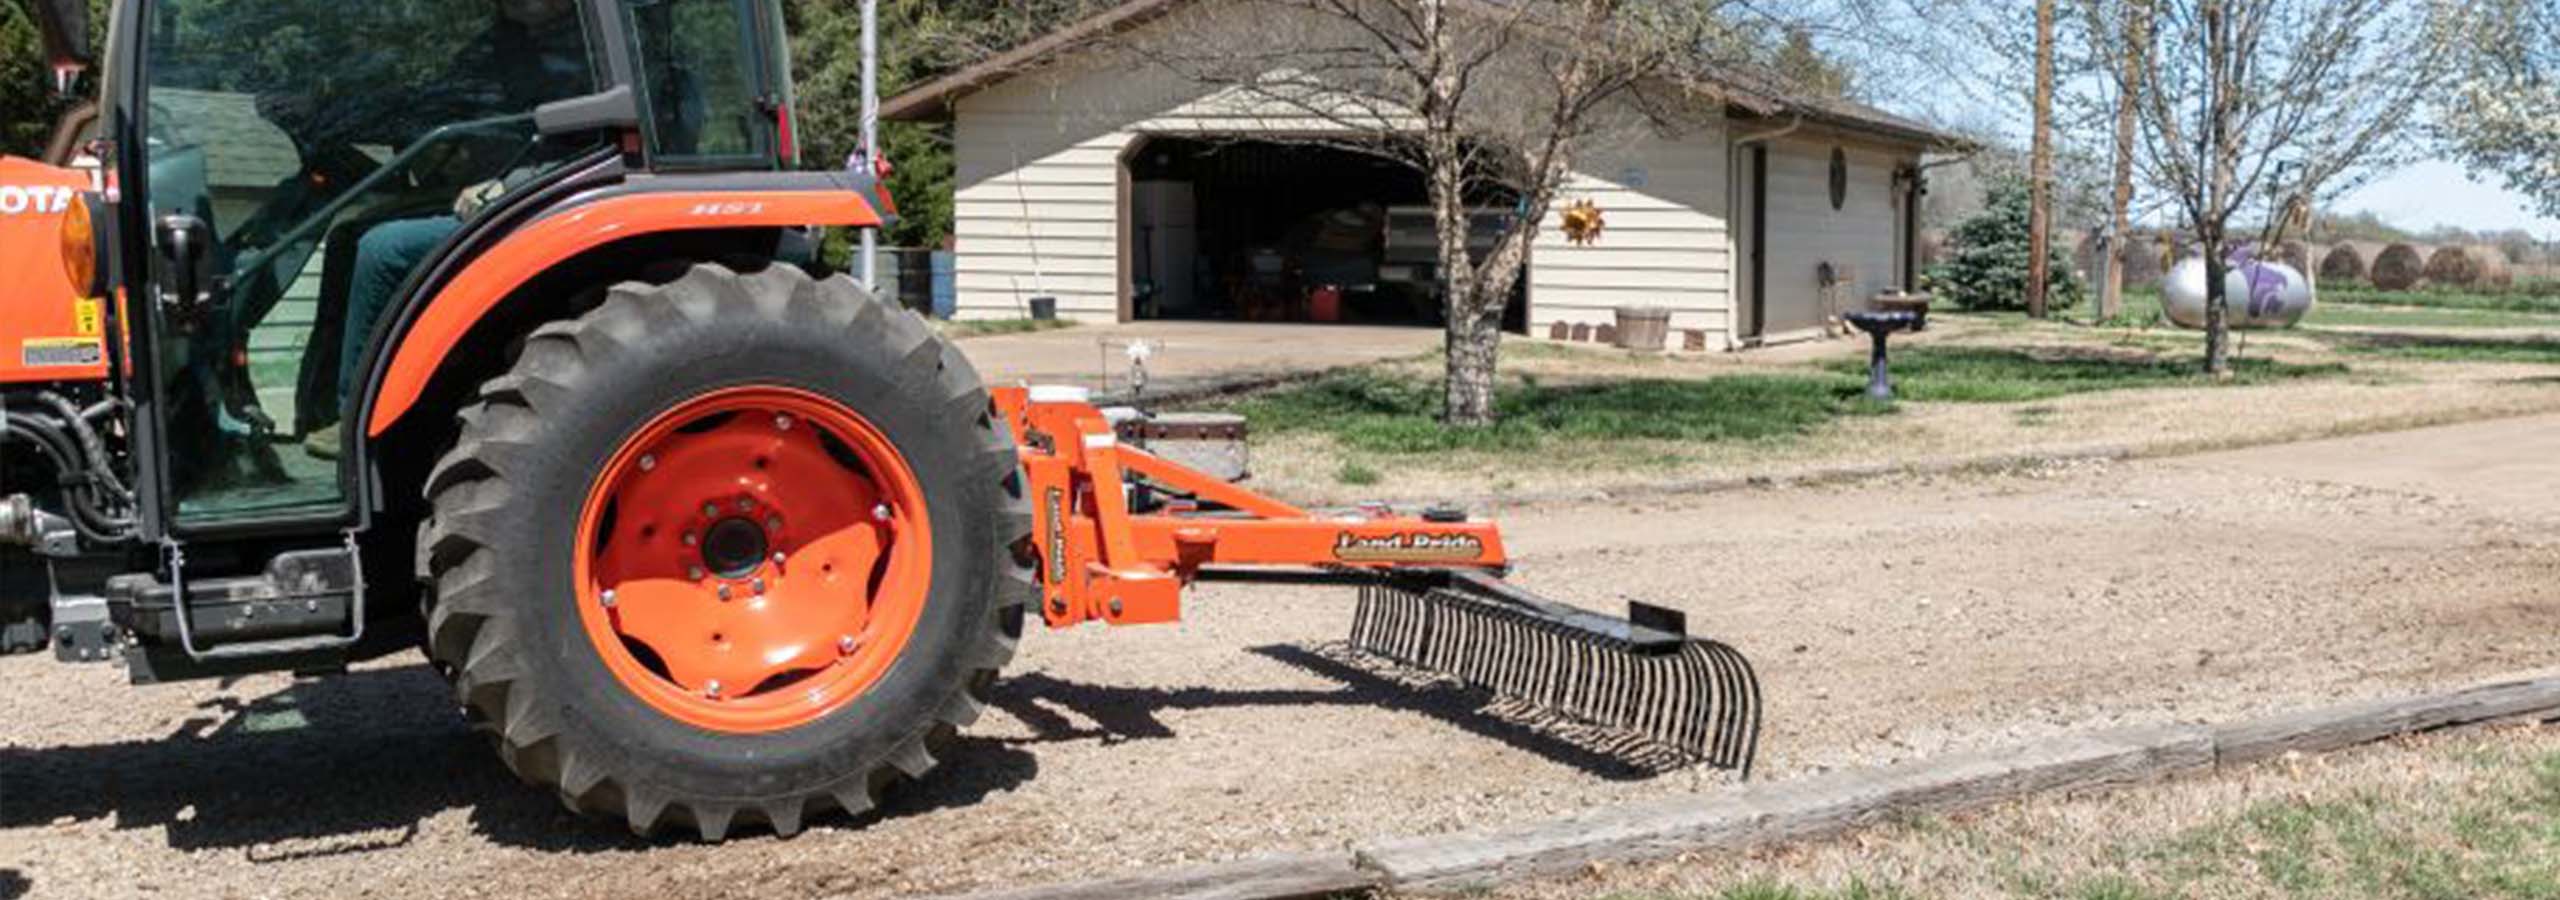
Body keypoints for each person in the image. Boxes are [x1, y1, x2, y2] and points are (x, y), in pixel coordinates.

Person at [305, 0, 586, 459]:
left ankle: (356, 417)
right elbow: (439, 100)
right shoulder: (503, 45)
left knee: (383, 249)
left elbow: (600, 145)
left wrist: (510, 185)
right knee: (349, 235)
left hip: (546, 207)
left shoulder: (587, 49)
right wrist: (340, 113)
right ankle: (318, 404)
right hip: (494, 196)